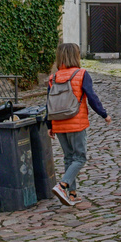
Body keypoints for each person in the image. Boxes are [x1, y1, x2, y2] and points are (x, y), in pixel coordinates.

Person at [47, 41, 109, 205]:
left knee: (69, 158)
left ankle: (72, 194)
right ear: (75, 56)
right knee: (80, 158)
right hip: (76, 121)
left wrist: (49, 126)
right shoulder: (81, 74)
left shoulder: (53, 78)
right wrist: (104, 114)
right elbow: (92, 98)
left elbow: (49, 103)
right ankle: (63, 185)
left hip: (59, 123)